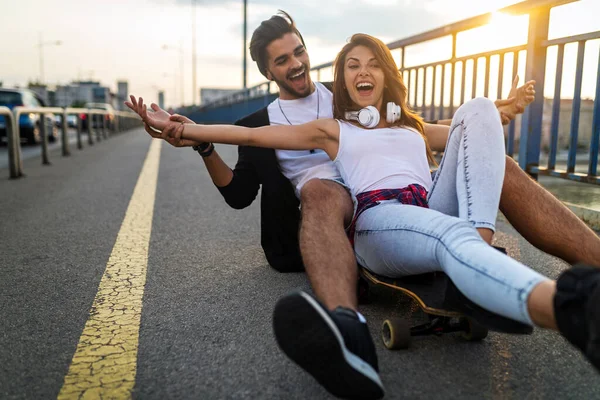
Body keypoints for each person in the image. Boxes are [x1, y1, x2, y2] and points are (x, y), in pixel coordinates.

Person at [129, 32, 600, 400]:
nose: (363, 70)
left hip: (428, 204)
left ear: (386, 74)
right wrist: (187, 129)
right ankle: (572, 309)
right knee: (451, 237)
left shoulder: (408, 123)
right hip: (382, 219)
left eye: (373, 63)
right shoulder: (332, 129)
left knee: (473, 110)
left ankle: (485, 262)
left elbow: (469, 133)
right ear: (343, 80)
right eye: (352, 65)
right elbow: (249, 138)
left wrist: (498, 109)